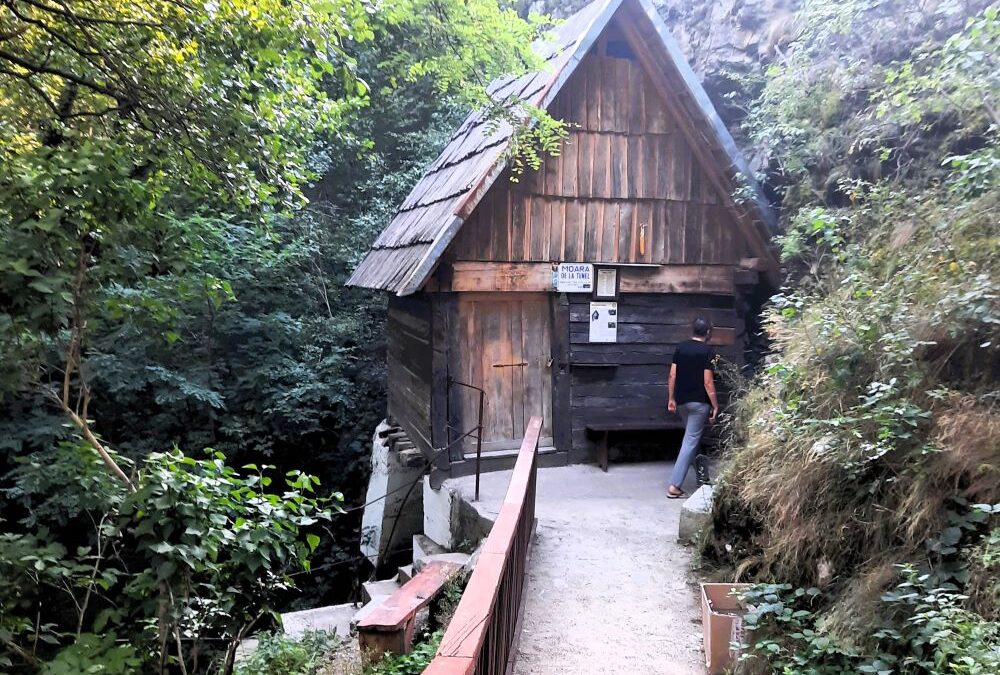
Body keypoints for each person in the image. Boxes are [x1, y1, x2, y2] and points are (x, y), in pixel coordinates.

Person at [666, 317, 719, 498]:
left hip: (682, 402)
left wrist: (671, 398)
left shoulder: (681, 348)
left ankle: (703, 479)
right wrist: (715, 405)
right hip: (699, 404)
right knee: (690, 441)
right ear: (708, 333)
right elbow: (708, 382)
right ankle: (674, 486)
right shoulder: (707, 351)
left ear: (693, 330)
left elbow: (672, 375)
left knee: (692, 440)